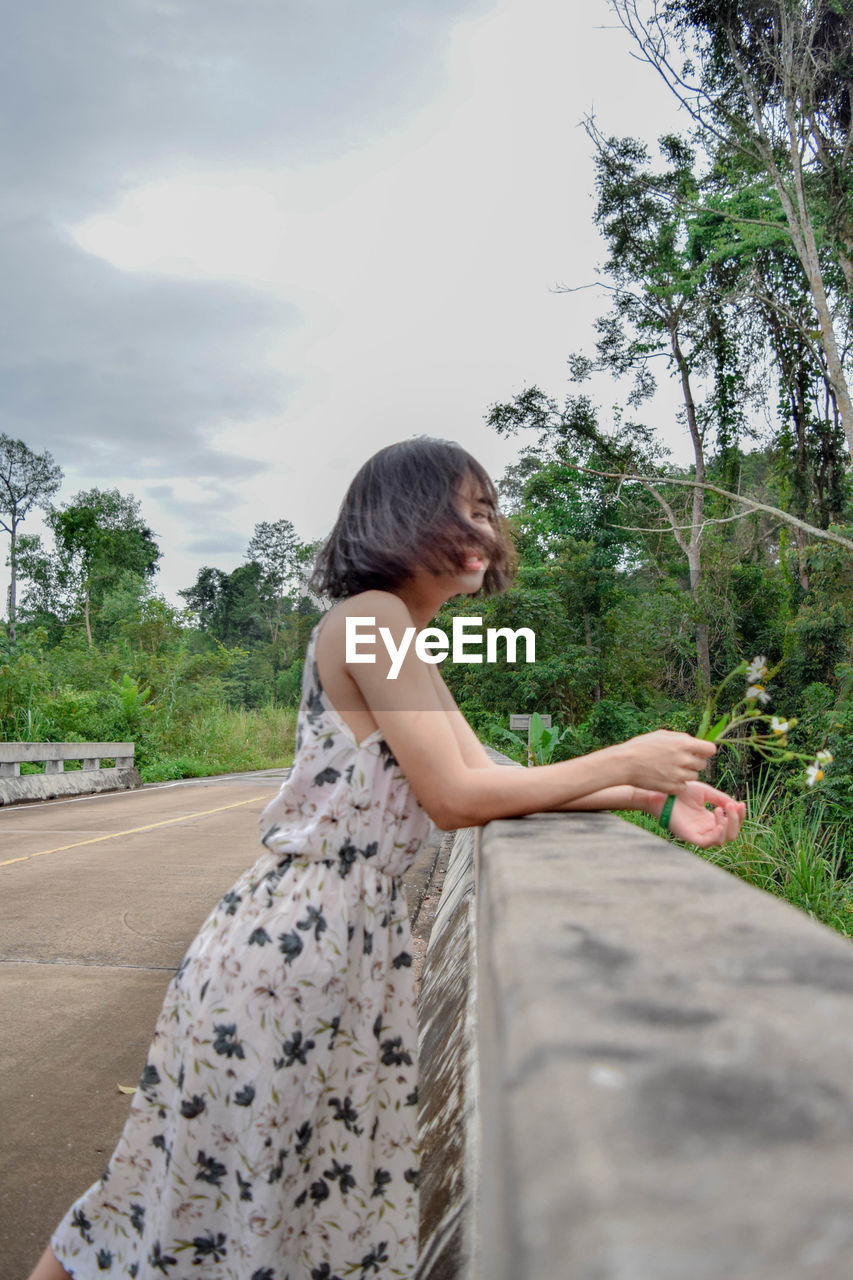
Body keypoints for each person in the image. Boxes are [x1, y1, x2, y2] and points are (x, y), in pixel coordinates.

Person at [30, 437, 745, 1280]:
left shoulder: (405, 639)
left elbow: (489, 778)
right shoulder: (369, 620)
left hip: (341, 953)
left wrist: (652, 798)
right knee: (197, 1195)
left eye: (488, 511)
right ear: (404, 519)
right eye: (465, 510)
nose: (485, 529)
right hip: (292, 953)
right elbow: (452, 797)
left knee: (187, 1190)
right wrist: (624, 759)